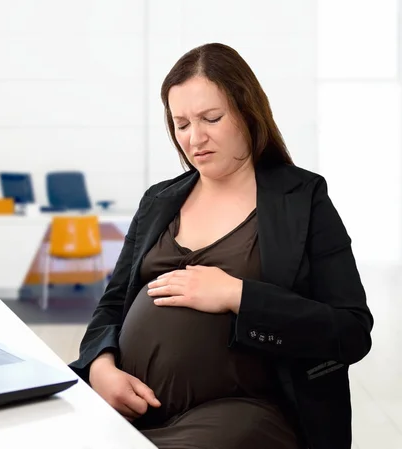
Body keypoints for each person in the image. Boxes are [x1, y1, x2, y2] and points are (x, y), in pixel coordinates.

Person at [68, 43, 373, 449]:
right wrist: (101, 367)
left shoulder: (303, 199)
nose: (195, 138)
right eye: (181, 124)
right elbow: (110, 307)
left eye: (211, 118)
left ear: (247, 111)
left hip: (241, 415)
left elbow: (352, 332)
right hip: (132, 408)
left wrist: (237, 295)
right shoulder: (159, 201)